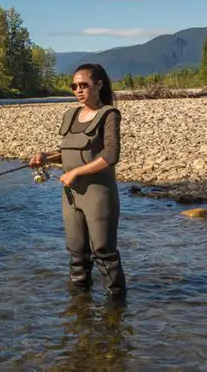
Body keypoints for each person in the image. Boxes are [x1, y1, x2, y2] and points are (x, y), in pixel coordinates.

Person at [30, 63, 127, 299]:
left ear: (99, 85)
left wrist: (77, 173)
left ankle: (116, 310)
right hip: (71, 196)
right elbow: (68, 151)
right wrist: (46, 157)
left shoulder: (109, 115)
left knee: (104, 252)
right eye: (74, 86)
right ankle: (79, 306)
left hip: (98, 195)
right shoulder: (71, 115)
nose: (78, 90)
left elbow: (110, 156)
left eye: (84, 85)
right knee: (77, 253)